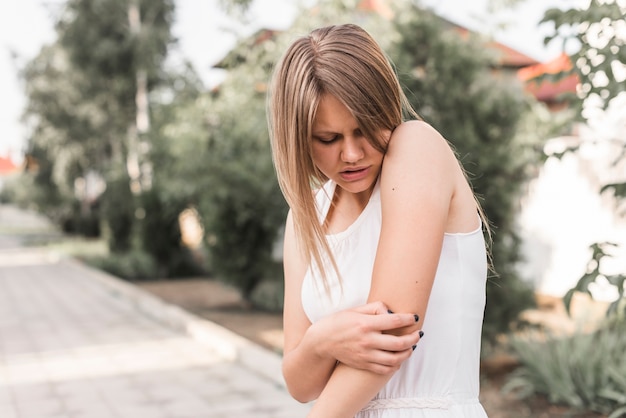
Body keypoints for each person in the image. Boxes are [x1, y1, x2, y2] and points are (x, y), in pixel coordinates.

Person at [267, 23, 490, 417]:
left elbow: (394, 333)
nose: (352, 154)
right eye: (328, 138)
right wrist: (321, 340)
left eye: (365, 129)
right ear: (299, 137)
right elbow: (299, 383)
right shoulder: (307, 215)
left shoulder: (417, 147)